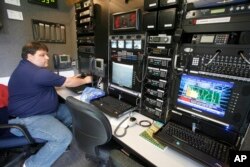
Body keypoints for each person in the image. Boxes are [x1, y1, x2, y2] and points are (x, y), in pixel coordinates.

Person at [7, 41, 92, 167]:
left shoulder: (25, 68)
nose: (47, 58)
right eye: (42, 55)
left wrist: (72, 79)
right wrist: (86, 79)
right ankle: (30, 164)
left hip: (41, 112)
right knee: (64, 137)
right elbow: (68, 83)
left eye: (46, 54)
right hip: (28, 120)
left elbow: (41, 85)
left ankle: (59, 146)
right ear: (29, 56)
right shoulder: (37, 73)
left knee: (73, 113)